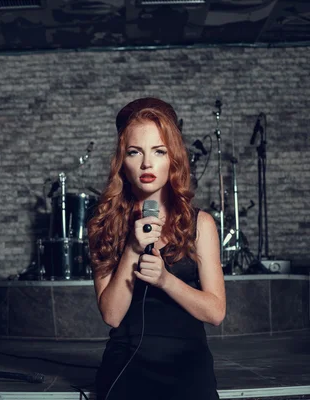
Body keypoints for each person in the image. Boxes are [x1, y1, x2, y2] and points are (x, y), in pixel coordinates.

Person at [87, 97, 226, 400]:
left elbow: (216, 313)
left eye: (159, 151)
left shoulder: (200, 224)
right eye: (135, 152)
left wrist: (165, 280)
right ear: (122, 162)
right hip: (127, 365)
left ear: (173, 159)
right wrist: (132, 250)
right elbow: (111, 315)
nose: (147, 163)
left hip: (187, 364)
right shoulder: (103, 224)